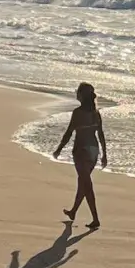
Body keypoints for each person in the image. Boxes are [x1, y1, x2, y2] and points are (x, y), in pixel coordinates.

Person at [53, 82, 107, 230]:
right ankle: (73, 212)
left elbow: (69, 132)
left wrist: (59, 149)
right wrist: (104, 155)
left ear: (82, 96)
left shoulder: (78, 113)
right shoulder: (96, 113)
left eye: (78, 92)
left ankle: (95, 219)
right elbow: (101, 134)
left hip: (81, 151)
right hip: (93, 151)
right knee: (83, 182)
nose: (76, 93)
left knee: (86, 185)